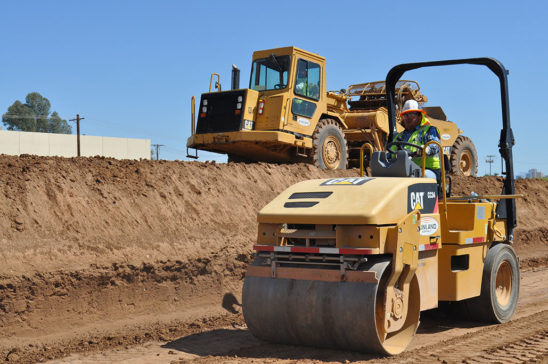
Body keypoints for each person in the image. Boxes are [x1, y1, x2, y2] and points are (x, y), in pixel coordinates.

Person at [390, 99, 441, 182]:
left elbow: (435, 146)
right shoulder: (400, 136)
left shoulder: (430, 130)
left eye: (411, 114)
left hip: (429, 170)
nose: (408, 118)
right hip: (407, 170)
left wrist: (424, 150)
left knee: (422, 178)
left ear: (419, 116)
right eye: (405, 115)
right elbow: (391, 151)